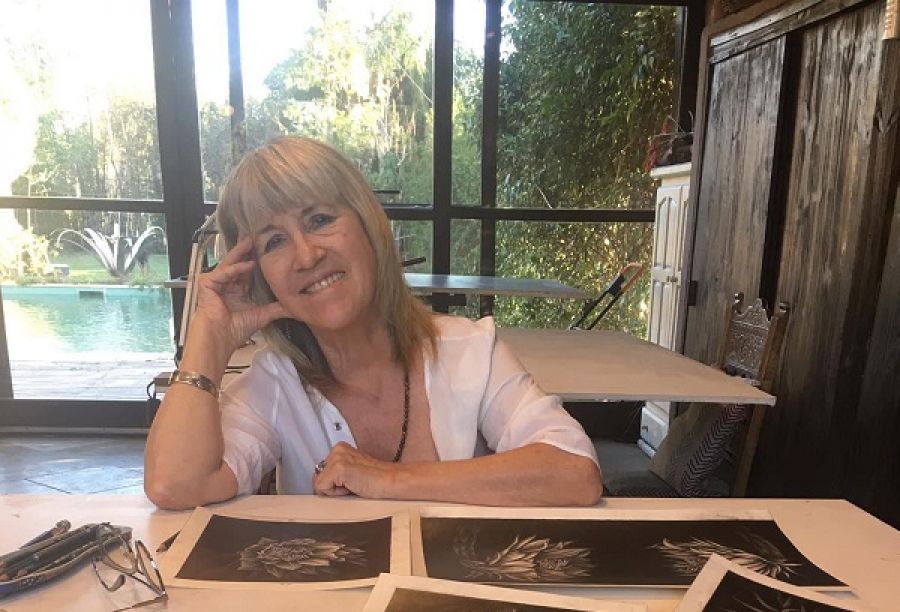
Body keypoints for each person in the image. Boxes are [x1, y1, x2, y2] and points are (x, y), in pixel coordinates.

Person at [144, 137, 602, 510]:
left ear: (368, 225)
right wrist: (209, 338)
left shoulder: (471, 350)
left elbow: (575, 471)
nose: (307, 255)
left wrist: (389, 479)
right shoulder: (275, 383)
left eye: (319, 219)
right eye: (274, 242)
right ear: (260, 275)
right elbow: (174, 485)